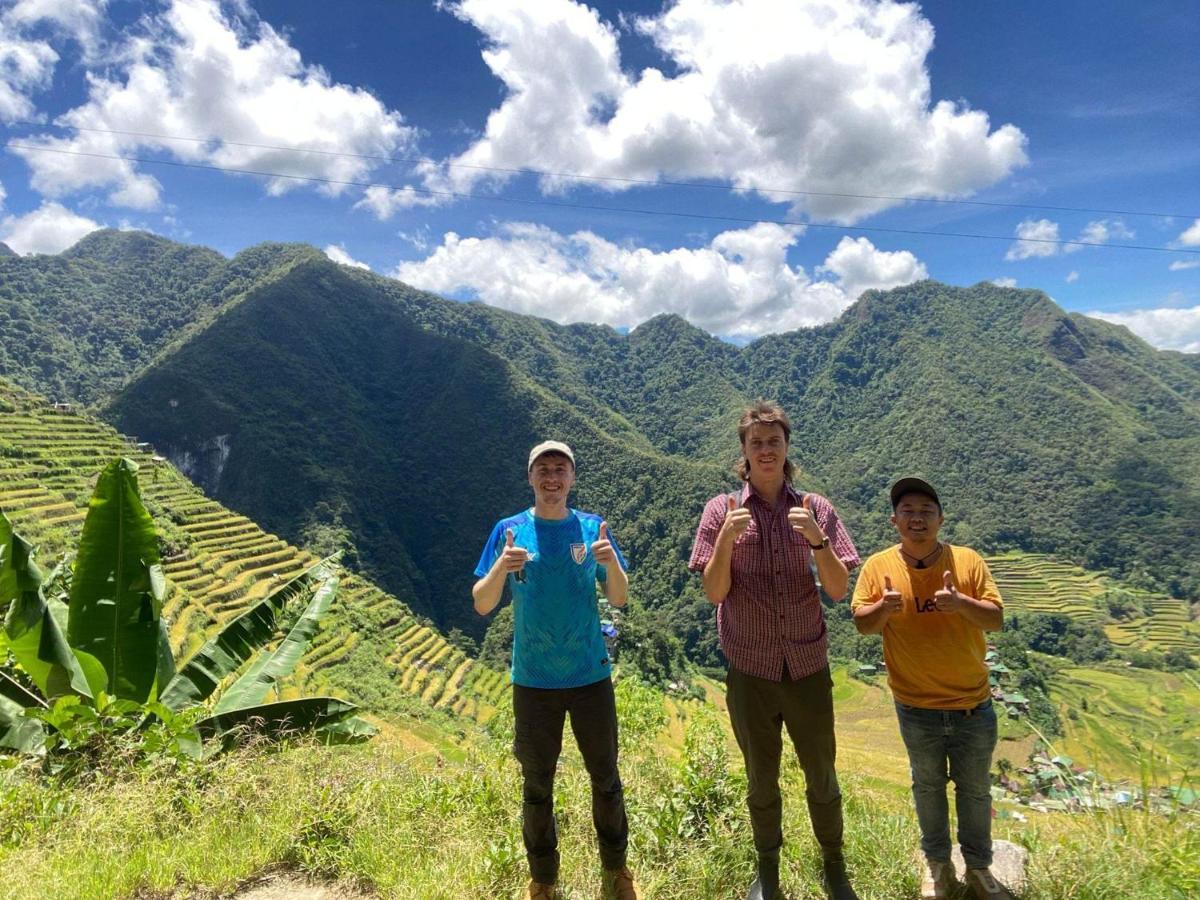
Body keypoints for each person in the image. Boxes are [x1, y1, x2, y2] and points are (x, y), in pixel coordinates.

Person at [688, 401, 861, 900]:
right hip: (751, 669)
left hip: (807, 664)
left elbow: (837, 589)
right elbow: (715, 592)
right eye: (756, 443)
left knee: (822, 773)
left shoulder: (816, 509)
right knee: (761, 779)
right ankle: (768, 873)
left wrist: (818, 541)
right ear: (743, 452)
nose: (766, 451)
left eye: (774, 442)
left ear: (787, 450)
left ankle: (835, 865)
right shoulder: (720, 511)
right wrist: (724, 542)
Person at [473, 440, 639, 900]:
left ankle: (617, 870)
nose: (552, 477)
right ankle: (543, 878)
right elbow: (483, 604)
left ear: (572, 478)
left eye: (560, 469)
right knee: (536, 782)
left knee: (605, 776)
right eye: (543, 469)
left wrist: (610, 565)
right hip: (533, 680)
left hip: (590, 674)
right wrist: (501, 571)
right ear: (530, 477)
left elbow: (620, 597)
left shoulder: (591, 529)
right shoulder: (509, 531)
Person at [851, 477, 1013, 900]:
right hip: (915, 706)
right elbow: (862, 624)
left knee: (976, 790)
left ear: (941, 519)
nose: (917, 517)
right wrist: (883, 609)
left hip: (972, 704)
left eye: (926, 510)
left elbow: (995, 619)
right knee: (927, 787)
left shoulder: (968, 562)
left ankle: (979, 868)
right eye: (908, 510)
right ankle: (937, 865)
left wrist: (961, 604)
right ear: (894, 519)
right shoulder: (878, 567)